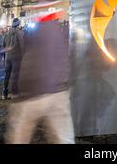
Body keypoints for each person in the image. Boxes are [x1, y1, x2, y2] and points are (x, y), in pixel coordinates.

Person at [6, 15, 75, 144]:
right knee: (63, 137)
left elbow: (22, 61)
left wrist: (15, 90)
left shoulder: (30, 34)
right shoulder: (61, 33)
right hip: (58, 91)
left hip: (32, 92)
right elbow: (67, 59)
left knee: (19, 135)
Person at [2, 18, 24, 100]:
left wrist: (4, 56)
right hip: (16, 57)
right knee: (15, 75)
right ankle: (14, 93)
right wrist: (22, 55)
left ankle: (5, 94)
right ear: (18, 24)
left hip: (8, 57)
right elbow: (22, 45)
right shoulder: (19, 32)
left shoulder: (6, 33)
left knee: (7, 75)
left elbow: (3, 46)